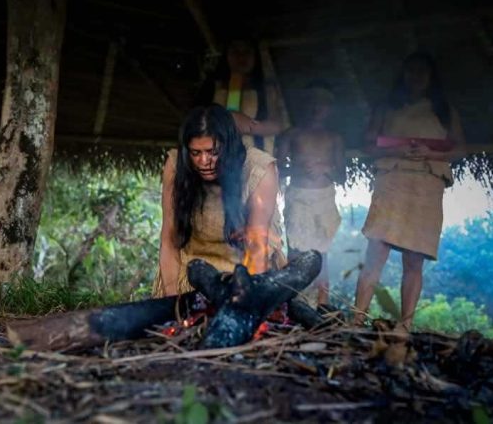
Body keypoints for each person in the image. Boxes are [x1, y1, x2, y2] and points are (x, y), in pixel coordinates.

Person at [353, 52, 466, 330]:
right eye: (410, 71)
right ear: (402, 75)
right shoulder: (386, 108)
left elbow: (461, 150)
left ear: (431, 77)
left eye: (422, 72)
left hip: (425, 186)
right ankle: (356, 319)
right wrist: (398, 149)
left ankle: (404, 326)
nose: (416, 77)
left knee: (414, 260)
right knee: (375, 253)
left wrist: (430, 153)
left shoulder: (444, 110)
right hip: (392, 181)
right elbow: (367, 146)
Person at [152, 104, 285, 297]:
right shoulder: (176, 166)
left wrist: (246, 306)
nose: (204, 161)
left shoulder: (259, 170)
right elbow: (169, 240)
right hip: (189, 279)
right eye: (195, 153)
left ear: (229, 147)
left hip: (244, 277)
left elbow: (257, 249)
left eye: (213, 152)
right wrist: (174, 303)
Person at [276, 82, 346, 308]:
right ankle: (294, 304)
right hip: (298, 198)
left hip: (324, 199)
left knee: (321, 255)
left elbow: (342, 175)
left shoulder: (335, 138)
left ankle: (322, 306)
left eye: (323, 102)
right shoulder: (291, 134)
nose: (317, 107)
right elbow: (277, 168)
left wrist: (325, 169)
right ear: (304, 106)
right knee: (296, 252)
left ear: (331, 108)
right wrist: (298, 169)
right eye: (312, 102)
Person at [196, 38, 285, 155]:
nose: (241, 57)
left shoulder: (267, 88)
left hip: (257, 162)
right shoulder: (212, 86)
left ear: (255, 56)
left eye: (247, 52)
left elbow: (279, 125)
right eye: (235, 51)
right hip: (217, 159)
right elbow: (195, 122)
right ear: (226, 55)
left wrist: (250, 127)